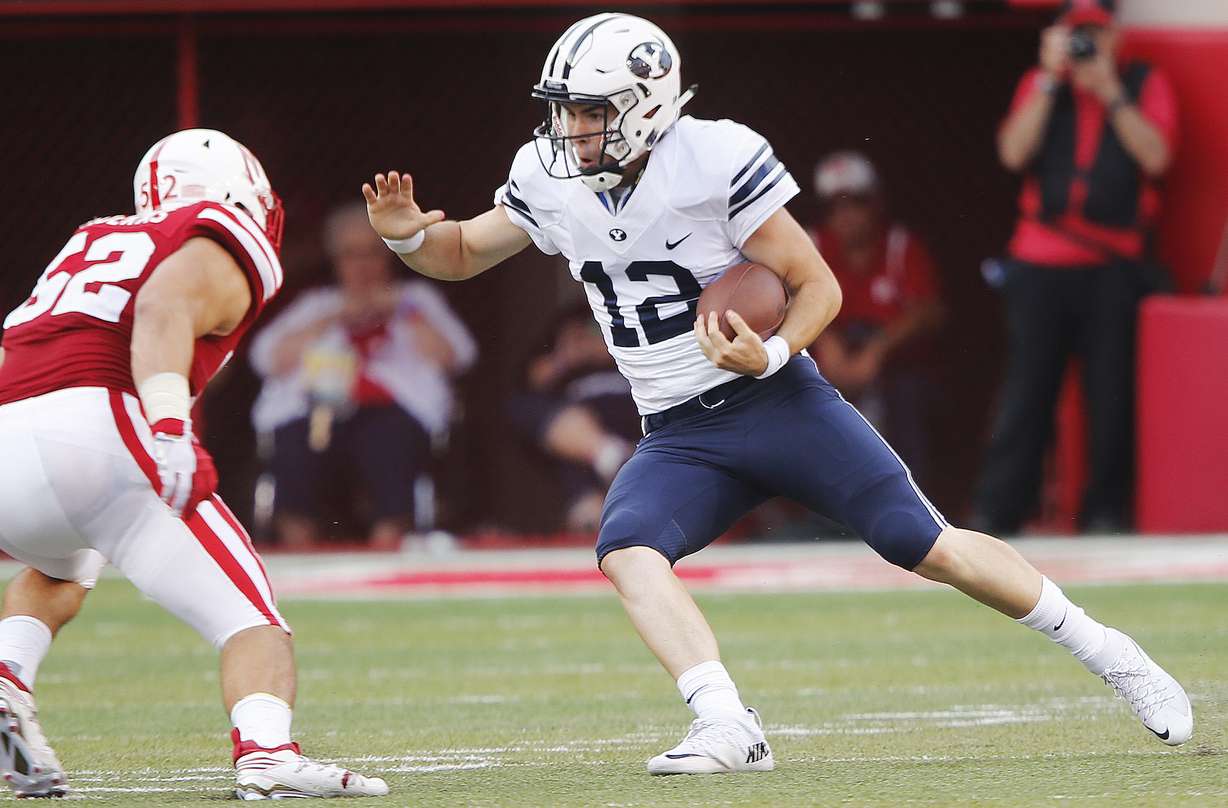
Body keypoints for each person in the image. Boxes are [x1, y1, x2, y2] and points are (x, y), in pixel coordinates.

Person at [362, 12, 1192, 774]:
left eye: (590, 111)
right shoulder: (548, 175)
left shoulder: (712, 158)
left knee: (921, 541)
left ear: (645, 104)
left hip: (778, 402)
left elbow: (815, 284)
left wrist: (774, 351)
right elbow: (465, 249)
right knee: (627, 547)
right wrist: (408, 238)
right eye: (566, 110)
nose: (571, 129)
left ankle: (1113, 653)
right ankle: (727, 723)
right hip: (678, 430)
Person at [0, 129, 387, 799]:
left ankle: (7, 680)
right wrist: (169, 427)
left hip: (10, 439)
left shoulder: (91, 238)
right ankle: (268, 754)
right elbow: (161, 305)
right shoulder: (214, 232)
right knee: (250, 616)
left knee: (61, 564)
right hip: (103, 429)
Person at [973, 0, 1178, 534]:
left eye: (1096, 35)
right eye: (1076, 35)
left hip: (1112, 265)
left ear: (1115, 39)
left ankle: (1107, 512)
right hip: (1039, 261)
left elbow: (1157, 157)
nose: (1087, 46)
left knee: (1110, 395)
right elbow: (1012, 152)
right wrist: (1047, 78)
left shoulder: (1142, 83)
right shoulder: (1041, 84)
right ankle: (998, 513)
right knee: (1027, 391)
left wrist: (1109, 92)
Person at [249, 202, 476, 549]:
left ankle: (387, 551)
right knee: (296, 444)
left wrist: (402, 313)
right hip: (319, 412)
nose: (363, 266)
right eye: (351, 255)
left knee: (390, 440)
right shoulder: (318, 304)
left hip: (391, 413)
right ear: (336, 260)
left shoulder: (415, 300)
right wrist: (336, 317)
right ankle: (299, 554)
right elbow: (264, 357)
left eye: (372, 253)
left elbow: (460, 354)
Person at [806, 151, 944, 482]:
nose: (847, 214)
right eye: (835, 205)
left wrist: (877, 351)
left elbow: (930, 310)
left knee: (910, 393)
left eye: (857, 202)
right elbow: (782, 301)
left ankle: (913, 493)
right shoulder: (809, 246)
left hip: (889, 371)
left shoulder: (900, 245)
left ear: (877, 203)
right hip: (822, 370)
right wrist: (827, 344)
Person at [508, 306, 639, 531]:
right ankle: (612, 458)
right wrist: (568, 355)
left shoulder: (636, 308)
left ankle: (611, 470)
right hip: (582, 423)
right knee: (531, 412)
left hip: (633, 407)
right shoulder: (572, 319)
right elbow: (535, 380)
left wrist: (613, 349)